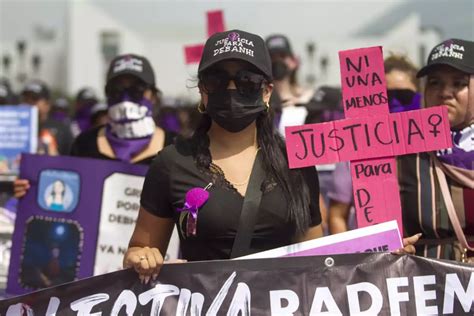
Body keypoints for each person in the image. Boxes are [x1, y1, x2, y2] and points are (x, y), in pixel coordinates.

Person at [123, 30, 418, 283]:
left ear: (266, 92)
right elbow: (138, 250)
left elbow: (317, 260)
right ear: (202, 91)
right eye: (216, 80)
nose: (231, 88)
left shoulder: (296, 163)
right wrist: (142, 257)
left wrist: (380, 254)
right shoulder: (171, 164)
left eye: (247, 80)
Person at [14, 54, 175, 196]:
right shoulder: (84, 145)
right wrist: (31, 189)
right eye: (116, 90)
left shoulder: (177, 149)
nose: (125, 98)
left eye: (137, 90)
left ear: (153, 95)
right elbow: (65, 193)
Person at [328, 54, 422, 234]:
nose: (393, 102)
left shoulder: (437, 150)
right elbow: (337, 215)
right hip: (373, 257)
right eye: (385, 96)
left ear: (419, 95)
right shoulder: (354, 150)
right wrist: (351, 257)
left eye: (403, 96)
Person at [399, 39, 473, 261]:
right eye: (434, 83)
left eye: (458, 83)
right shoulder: (403, 152)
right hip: (427, 287)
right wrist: (394, 244)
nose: (444, 93)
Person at [21, 80, 74, 156]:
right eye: (26, 99)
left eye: (34, 99)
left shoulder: (62, 129)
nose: (29, 103)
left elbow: (71, 160)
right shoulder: (16, 129)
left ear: (47, 104)